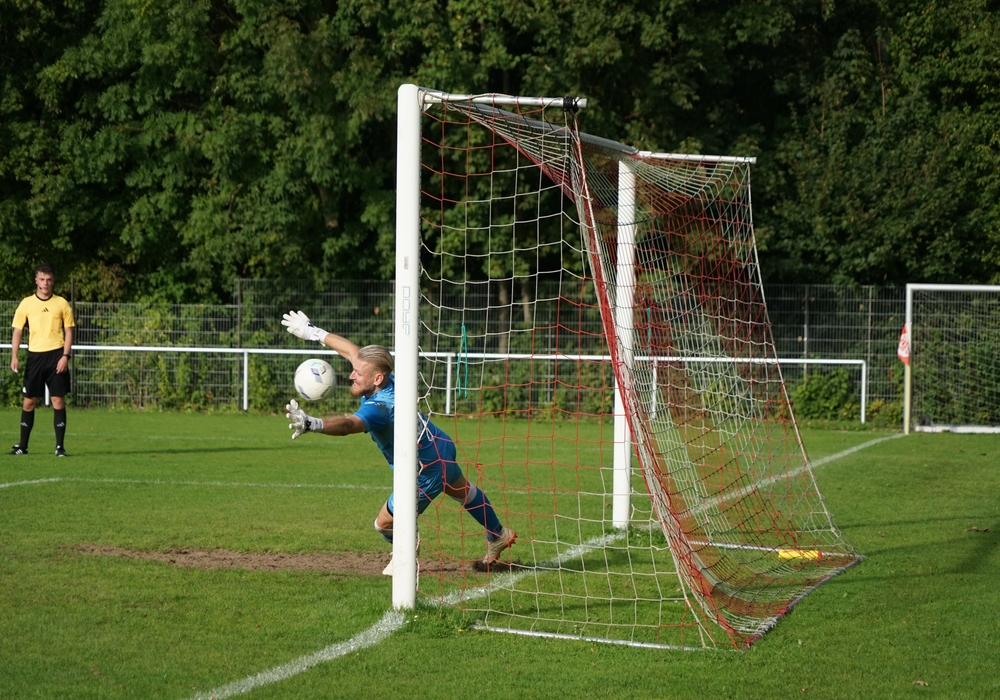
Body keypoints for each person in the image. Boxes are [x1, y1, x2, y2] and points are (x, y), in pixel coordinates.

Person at [281, 310, 516, 575]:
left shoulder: (380, 407)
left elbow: (348, 425)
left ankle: (406, 554)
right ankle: (498, 534)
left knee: (384, 523)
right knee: (464, 492)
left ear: (377, 379)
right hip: (439, 443)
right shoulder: (386, 378)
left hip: (424, 469)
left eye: (357, 373)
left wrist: (313, 423)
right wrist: (313, 332)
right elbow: (351, 351)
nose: (351, 376)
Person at [9, 264, 75, 457]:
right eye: (42, 279)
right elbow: (18, 331)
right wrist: (14, 355)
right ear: (36, 280)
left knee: (58, 400)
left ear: (53, 281)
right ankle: (23, 446)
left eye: (49, 279)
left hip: (56, 356)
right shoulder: (26, 303)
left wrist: (65, 356)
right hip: (35, 357)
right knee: (29, 402)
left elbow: (69, 331)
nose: (45, 283)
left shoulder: (62, 303)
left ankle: (60, 447)